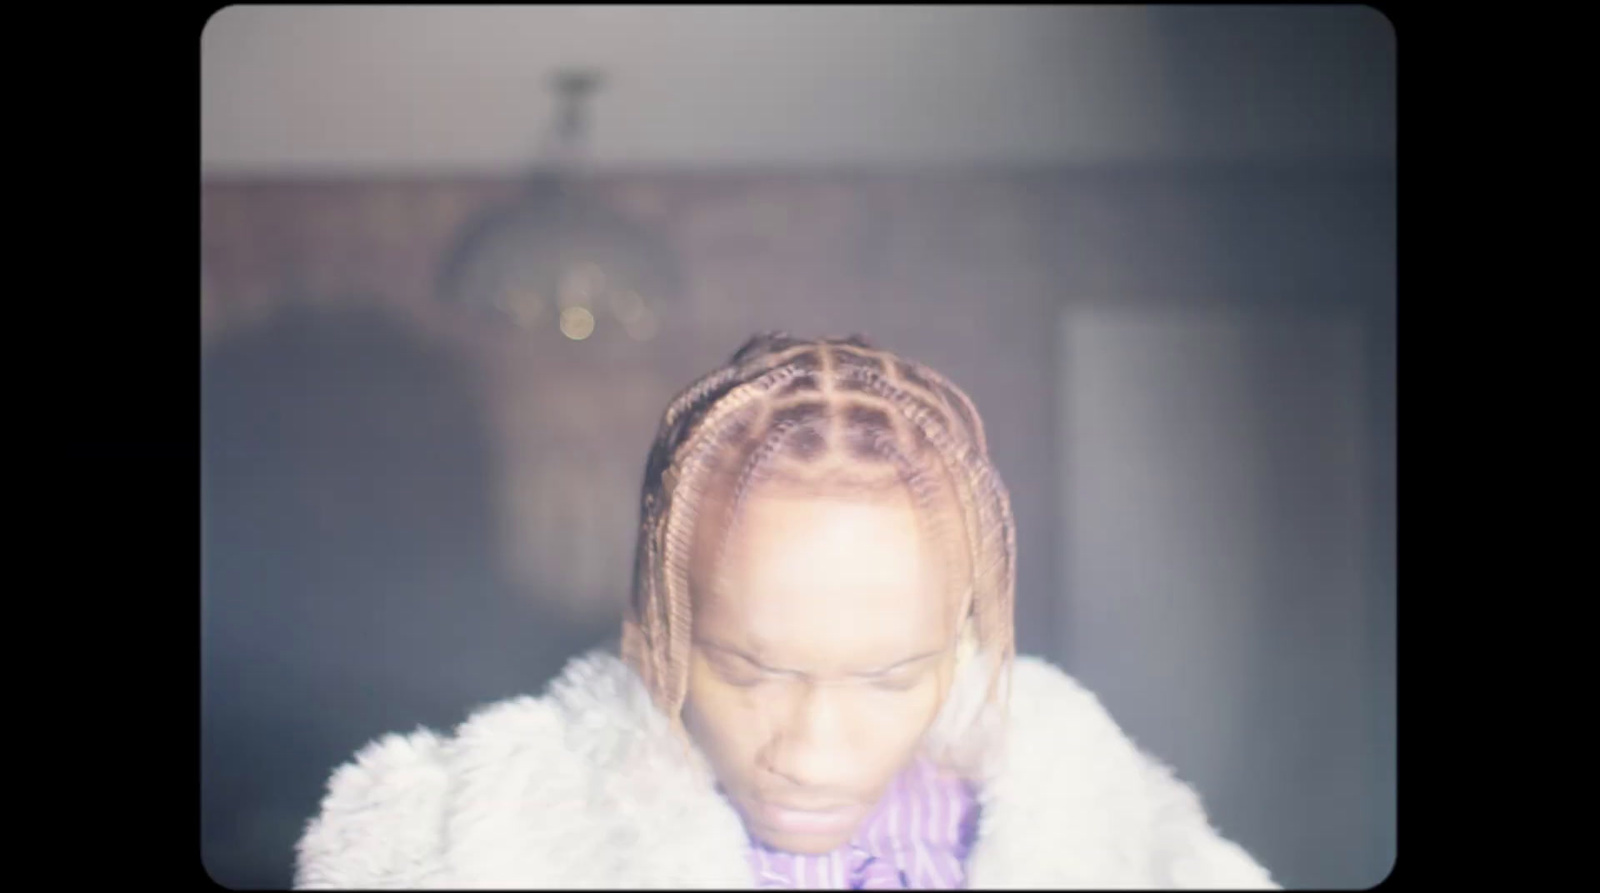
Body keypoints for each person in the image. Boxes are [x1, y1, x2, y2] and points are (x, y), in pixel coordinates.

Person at [293, 333, 1277, 889]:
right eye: (753, 669)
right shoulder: (450, 847)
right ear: (655, 626)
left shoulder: (1129, 846)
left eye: (889, 676)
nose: (812, 751)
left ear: (961, 644)